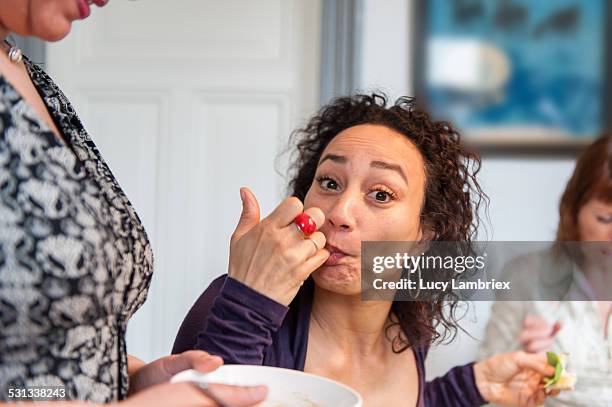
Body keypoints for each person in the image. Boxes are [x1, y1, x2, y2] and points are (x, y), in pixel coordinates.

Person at [173, 93, 557, 407]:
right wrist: (246, 303)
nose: (339, 213)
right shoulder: (232, 304)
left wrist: (472, 387)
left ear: (425, 235)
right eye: (329, 182)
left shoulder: (409, 328)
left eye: (380, 194)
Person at [0, 1, 267, 406]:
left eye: (382, 195)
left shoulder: (31, 78)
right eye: (330, 182)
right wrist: (253, 295)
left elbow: (26, 376)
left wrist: (132, 378)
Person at [479, 134, 612, 406]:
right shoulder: (526, 276)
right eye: (605, 219)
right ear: (573, 210)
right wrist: (521, 359)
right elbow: (486, 387)